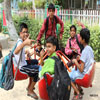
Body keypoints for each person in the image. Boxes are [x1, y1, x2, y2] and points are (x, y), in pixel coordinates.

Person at [13, 23, 39, 99]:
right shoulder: (20, 42)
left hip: (23, 62)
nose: (26, 34)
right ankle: (30, 90)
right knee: (38, 69)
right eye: (24, 32)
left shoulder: (20, 41)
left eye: (26, 32)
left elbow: (19, 50)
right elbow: (16, 51)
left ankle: (29, 86)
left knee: (35, 61)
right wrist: (25, 43)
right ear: (20, 33)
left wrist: (25, 51)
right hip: (21, 67)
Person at [69, 28, 95, 100]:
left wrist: (75, 61)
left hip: (84, 75)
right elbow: (88, 59)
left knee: (69, 77)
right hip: (88, 73)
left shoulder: (84, 51)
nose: (79, 38)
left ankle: (78, 93)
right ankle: (80, 89)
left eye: (80, 37)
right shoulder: (89, 48)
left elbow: (81, 70)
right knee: (74, 71)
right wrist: (81, 58)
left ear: (83, 40)